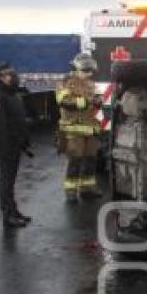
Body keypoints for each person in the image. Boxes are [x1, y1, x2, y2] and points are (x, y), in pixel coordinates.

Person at [0, 62, 31, 228]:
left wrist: (24, 140)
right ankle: (8, 215)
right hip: (6, 147)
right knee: (6, 182)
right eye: (6, 74)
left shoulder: (12, 95)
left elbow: (18, 121)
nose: (11, 76)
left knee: (11, 182)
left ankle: (14, 211)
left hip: (15, 145)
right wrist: (5, 147)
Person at [55, 52, 102, 202]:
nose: (88, 74)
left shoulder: (90, 84)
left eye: (90, 71)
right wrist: (86, 102)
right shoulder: (66, 82)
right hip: (73, 130)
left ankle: (87, 189)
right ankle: (71, 191)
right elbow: (64, 101)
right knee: (75, 160)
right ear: (75, 69)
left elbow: (98, 98)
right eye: (85, 71)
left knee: (90, 159)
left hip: (90, 129)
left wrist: (98, 100)